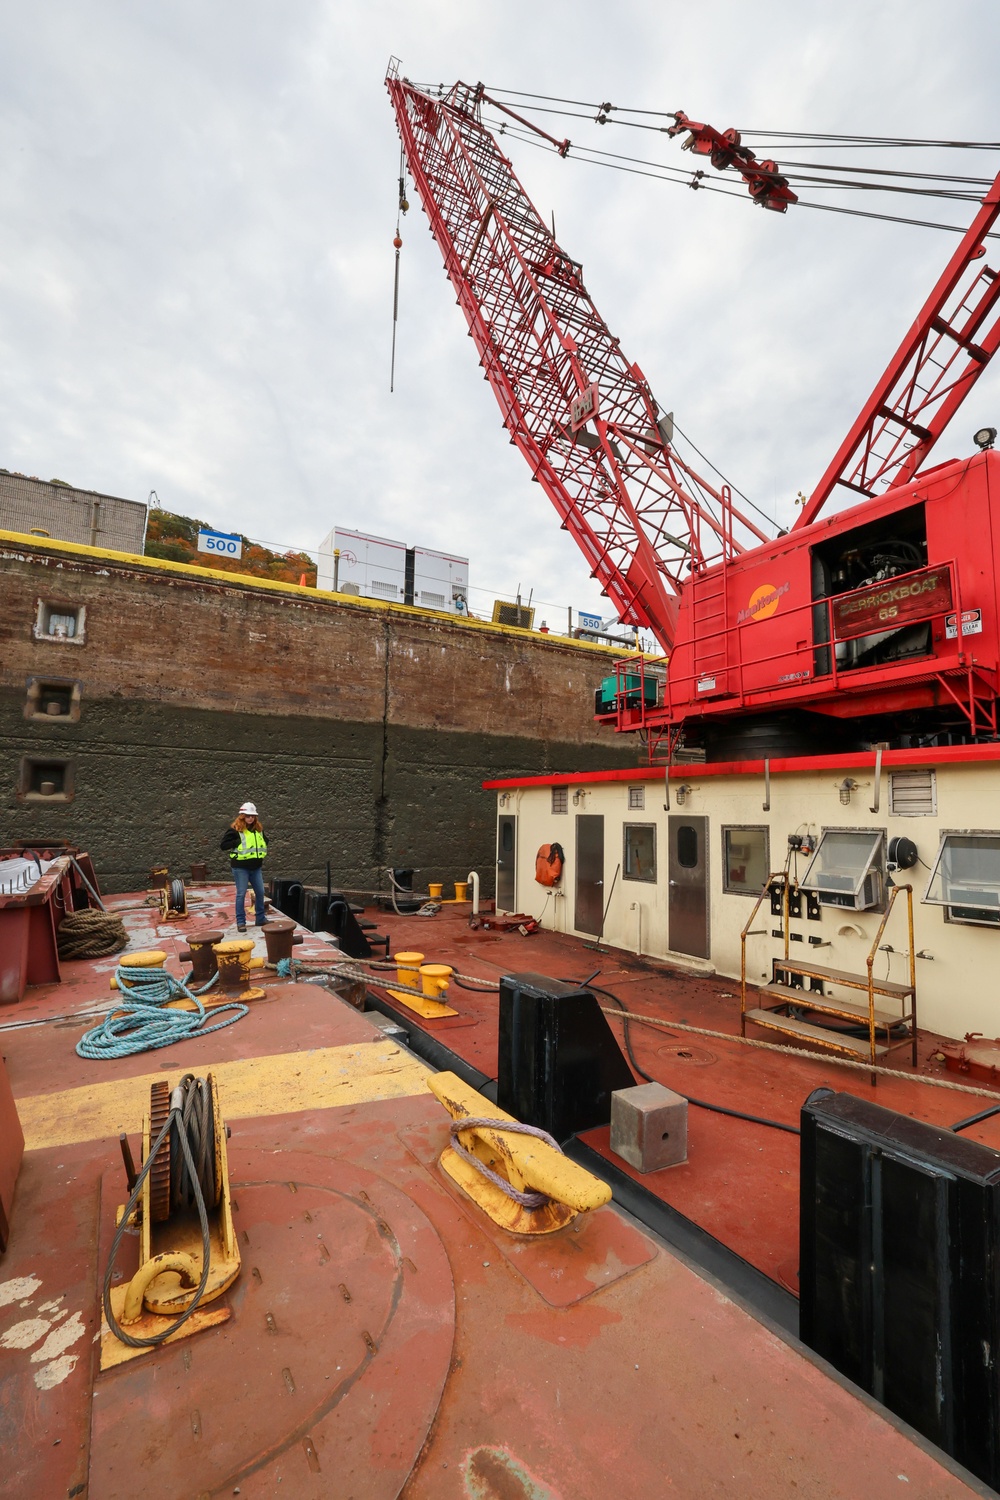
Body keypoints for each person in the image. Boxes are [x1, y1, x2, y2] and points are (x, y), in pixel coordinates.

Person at [220, 801, 270, 932]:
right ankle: (241, 922)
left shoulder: (258, 830)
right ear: (242, 816)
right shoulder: (235, 830)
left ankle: (260, 918)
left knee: (260, 892)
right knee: (241, 894)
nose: (250, 818)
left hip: (256, 867)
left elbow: (265, 840)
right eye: (248, 816)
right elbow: (223, 845)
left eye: (252, 816)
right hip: (240, 868)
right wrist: (235, 842)